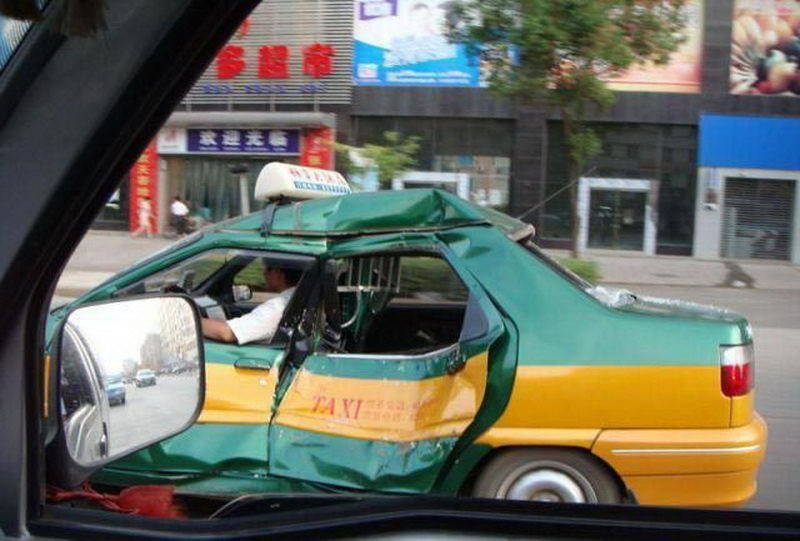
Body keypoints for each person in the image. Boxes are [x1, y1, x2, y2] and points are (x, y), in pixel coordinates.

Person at [201, 263, 302, 345]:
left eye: (267, 269)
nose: (264, 273)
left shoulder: (278, 306)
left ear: (278, 273)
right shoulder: (295, 298)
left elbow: (227, 333)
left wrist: (194, 320)